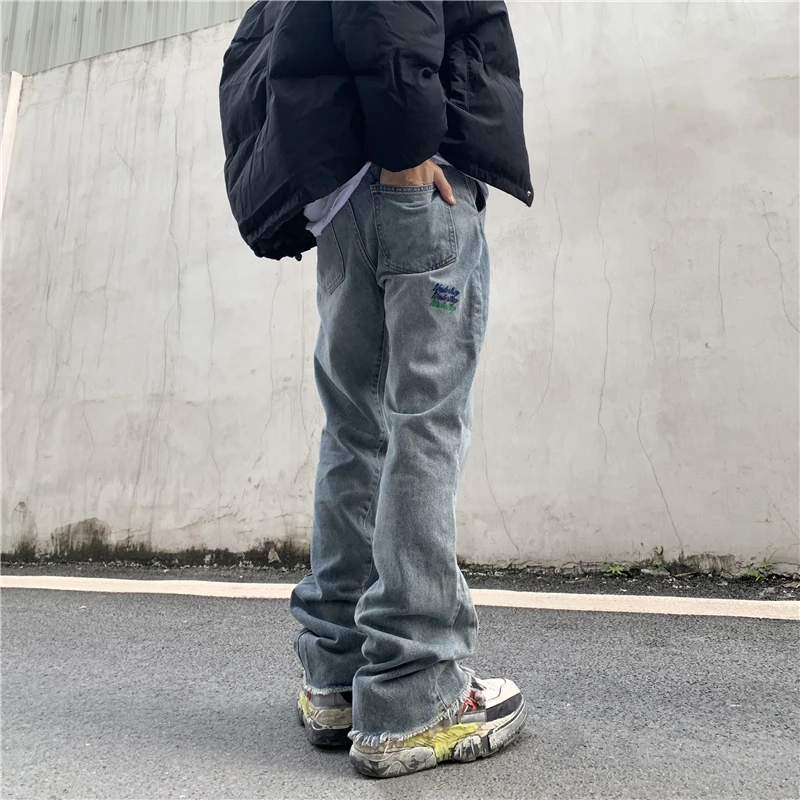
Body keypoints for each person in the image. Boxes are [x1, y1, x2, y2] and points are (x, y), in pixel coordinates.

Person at [220, 0, 533, 779]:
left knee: (355, 429)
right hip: (411, 179)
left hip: (345, 197)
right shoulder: (407, 152)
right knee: (425, 425)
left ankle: (337, 672)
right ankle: (414, 691)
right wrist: (407, 145)